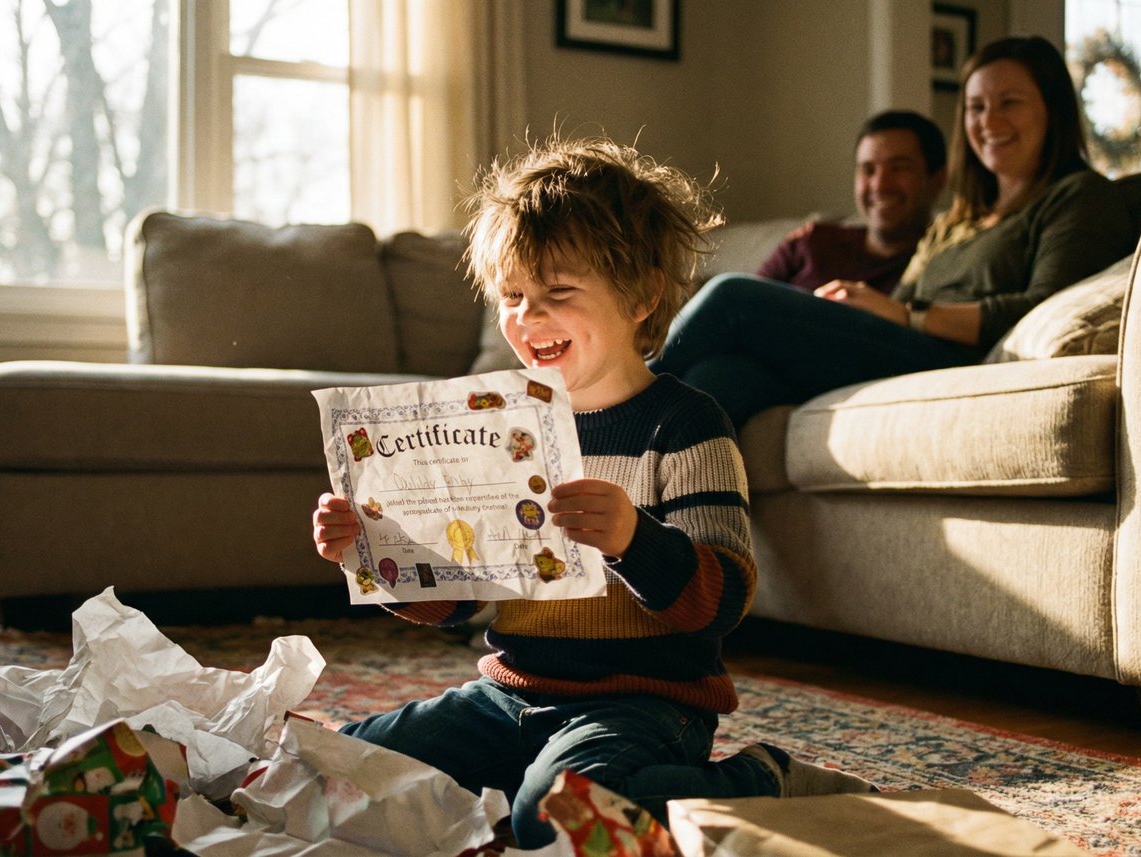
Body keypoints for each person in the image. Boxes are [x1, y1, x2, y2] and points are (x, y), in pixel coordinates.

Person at [310, 136, 874, 849]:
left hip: (645, 704)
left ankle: (760, 781)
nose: (527, 317)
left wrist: (633, 541)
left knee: (556, 816)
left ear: (641, 296)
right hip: (508, 694)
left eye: (558, 293)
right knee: (334, 766)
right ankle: (517, 787)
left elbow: (723, 600)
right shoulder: (506, 429)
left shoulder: (687, 426)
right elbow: (462, 597)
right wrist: (377, 552)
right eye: (513, 296)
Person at [650, 35, 1139, 427]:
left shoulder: (1077, 196)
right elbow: (891, 309)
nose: (990, 121)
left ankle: (605, 412)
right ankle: (662, 538)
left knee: (734, 296)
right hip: (896, 345)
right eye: (975, 107)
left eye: (1009, 102)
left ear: (1052, 110)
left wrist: (910, 315)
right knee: (721, 379)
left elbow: (1039, 304)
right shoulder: (960, 220)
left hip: (950, 357)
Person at [758, 109, 947, 294]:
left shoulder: (946, 267)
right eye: (868, 169)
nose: (880, 186)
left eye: (899, 168)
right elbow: (738, 303)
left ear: (937, 179)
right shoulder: (809, 241)